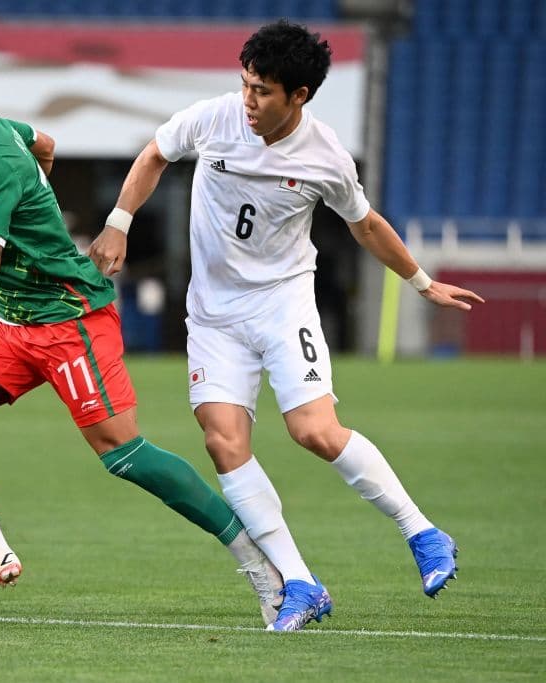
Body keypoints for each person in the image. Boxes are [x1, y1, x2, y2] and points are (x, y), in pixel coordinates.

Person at [0, 46, 285, 626]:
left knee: (124, 454)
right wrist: (36, 196)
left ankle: (259, 562)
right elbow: (44, 143)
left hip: (69, 322)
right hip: (15, 322)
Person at [87, 20, 485, 631]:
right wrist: (119, 221)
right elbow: (156, 154)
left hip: (281, 304)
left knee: (314, 431)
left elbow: (365, 224)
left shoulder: (326, 156)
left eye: (263, 91)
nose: (248, 100)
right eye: (245, 84)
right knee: (223, 441)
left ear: (299, 95)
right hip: (213, 315)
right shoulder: (214, 118)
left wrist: (422, 282)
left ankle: (423, 532)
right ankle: (300, 583)